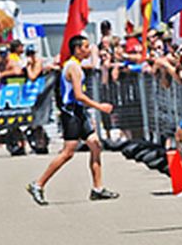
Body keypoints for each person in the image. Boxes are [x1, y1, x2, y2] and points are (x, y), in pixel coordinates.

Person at [27, 35, 118, 204]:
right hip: (71, 113)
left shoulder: (76, 66)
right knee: (67, 153)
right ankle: (38, 184)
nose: (89, 50)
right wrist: (99, 106)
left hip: (78, 111)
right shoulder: (73, 67)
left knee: (95, 145)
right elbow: (78, 95)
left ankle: (98, 188)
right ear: (77, 49)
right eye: (86, 46)